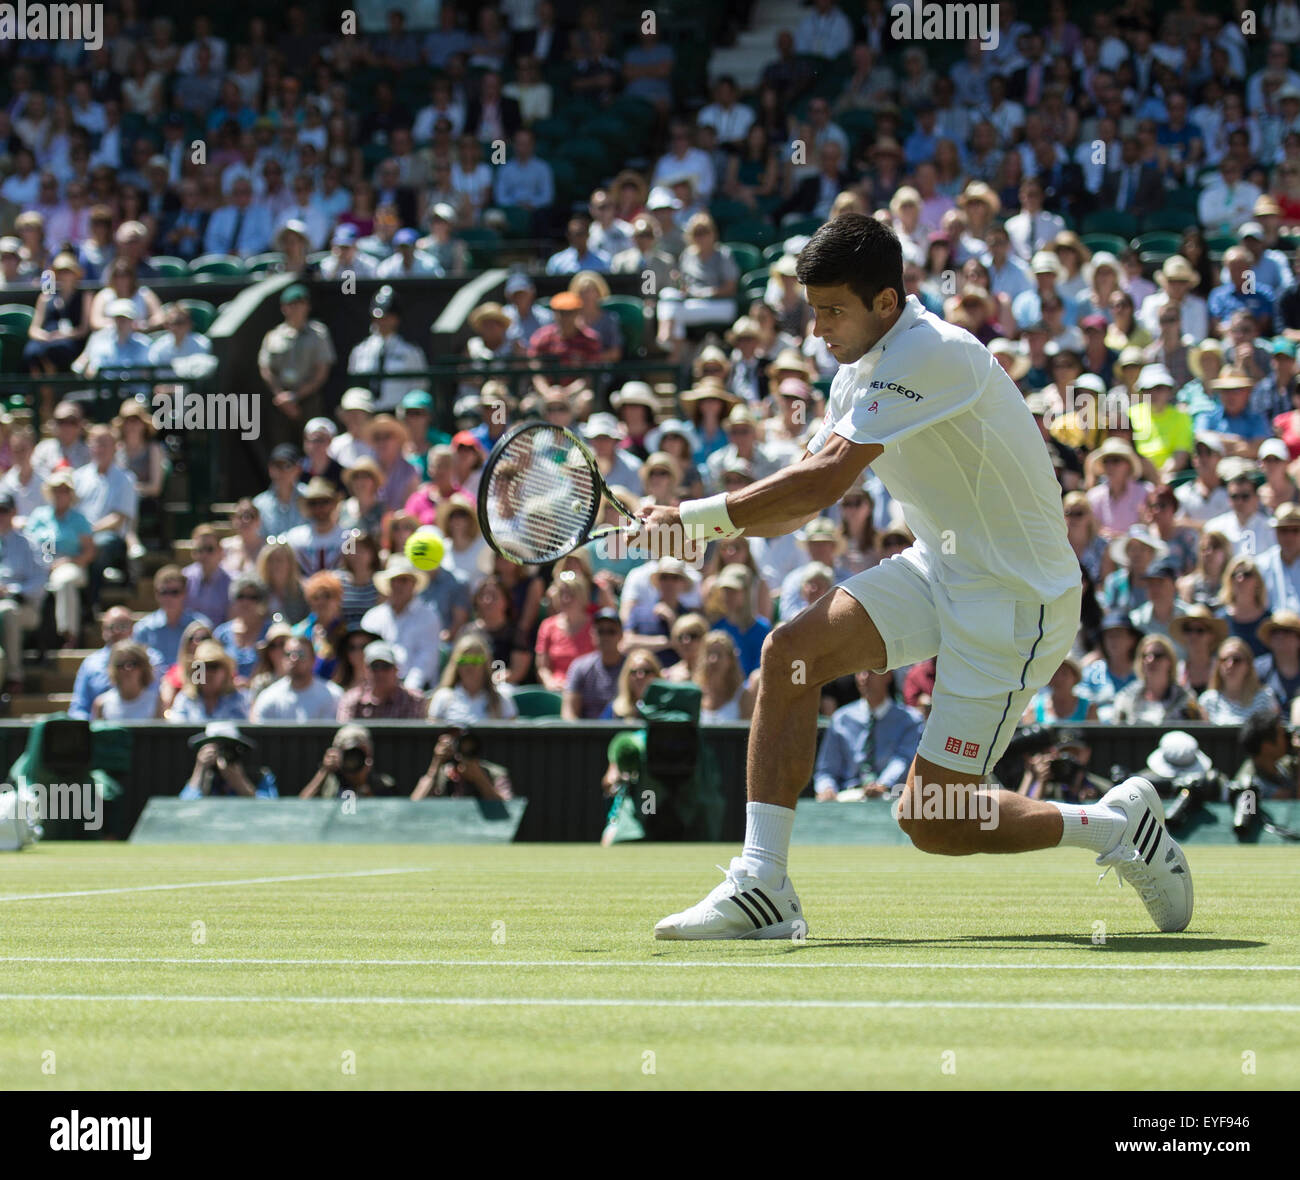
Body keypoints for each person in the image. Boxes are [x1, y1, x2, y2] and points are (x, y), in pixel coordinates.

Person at [637, 213, 1191, 940]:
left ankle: (1116, 825)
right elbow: (795, 500)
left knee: (933, 819)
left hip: (1017, 600)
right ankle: (762, 885)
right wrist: (689, 529)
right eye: (812, 311)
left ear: (887, 305)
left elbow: (822, 483)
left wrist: (699, 518)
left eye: (833, 310)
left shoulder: (936, 353)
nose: (818, 330)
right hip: (940, 565)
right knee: (790, 655)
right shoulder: (854, 375)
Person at [812, 668, 924, 800]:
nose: (864, 677)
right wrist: (826, 788)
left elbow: (904, 759)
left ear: (888, 675)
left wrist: (882, 785)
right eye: (859, 672)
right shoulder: (841, 719)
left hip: (892, 799)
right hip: (847, 800)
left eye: (871, 672)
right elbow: (826, 770)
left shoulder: (911, 720)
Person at [23, 470, 94, 648]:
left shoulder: (79, 519)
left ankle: (69, 635)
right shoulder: (39, 516)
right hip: (38, 565)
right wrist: (41, 563)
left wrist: (66, 561)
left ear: (70, 494)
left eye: (64, 490)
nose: (60, 494)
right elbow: (27, 543)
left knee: (63, 581)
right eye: (56, 490)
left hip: (69, 564)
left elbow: (89, 552)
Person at [362, 557, 442, 692]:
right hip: (376, 688)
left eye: (404, 580)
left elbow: (426, 661)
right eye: (394, 580)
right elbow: (366, 658)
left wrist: (407, 691)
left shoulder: (428, 617)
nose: (398, 585)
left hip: (416, 690)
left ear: (414, 584)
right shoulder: (372, 618)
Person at [0, 490, 44, 691]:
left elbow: (40, 582)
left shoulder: (30, 543)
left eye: (4, 510)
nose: (0, 515)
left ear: (14, 512)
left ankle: (14, 676)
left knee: (7, 610)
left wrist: (10, 591)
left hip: (24, 607)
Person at [250, 632, 343, 721]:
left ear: (313, 660)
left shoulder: (334, 696)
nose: (293, 659)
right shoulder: (269, 697)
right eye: (288, 654)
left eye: (301, 654)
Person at [427, 633, 518, 723]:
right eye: (464, 660)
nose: (469, 666)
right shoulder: (443, 697)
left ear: (485, 664)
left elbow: (512, 735)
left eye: (475, 660)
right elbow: (433, 733)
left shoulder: (501, 698)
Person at [412, 727, 514, 800]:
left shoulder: (495, 773)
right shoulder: (441, 774)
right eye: (454, 741)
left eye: (463, 740)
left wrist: (480, 778)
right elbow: (415, 805)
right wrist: (436, 764)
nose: (460, 746)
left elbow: (509, 810)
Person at [180, 722, 277, 799]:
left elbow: (269, 809)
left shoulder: (259, 776)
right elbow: (186, 807)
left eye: (228, 749)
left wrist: (241, 785)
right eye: (216, 749)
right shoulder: (204, 778)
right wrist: (200, 768)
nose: (222, 755)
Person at [300, 723, 397, 798]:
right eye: (348, 752)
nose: (353, 759)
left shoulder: (383, 784)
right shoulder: (328, 783)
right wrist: (324, 771)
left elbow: (386, 817)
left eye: (359, 752)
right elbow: (302, 808)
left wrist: (362, 785)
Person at [337, 639, 426, 720]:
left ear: (396, 669)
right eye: (375, 667)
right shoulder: (352, 699)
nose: (380, 673)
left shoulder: (413, 700)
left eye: (385, 666)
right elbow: (345, 731)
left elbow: (415, 735)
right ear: (365, 670)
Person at [1200, 637, 1280, 724]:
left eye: (1236, 660)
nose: (1229, 665)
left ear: (1248, 665)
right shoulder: (1208, 700)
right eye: (1224, 660)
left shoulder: (1265, 697)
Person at [166, 639, 248, 721]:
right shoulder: (185, 699)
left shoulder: (237, 699)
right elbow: (177, 729)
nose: (207, 672)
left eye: (213, 666)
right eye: (201, 667)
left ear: (225, 671)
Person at [91, 640, 161, 719]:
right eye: (121, 665)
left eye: (133, 663)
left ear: (144, 666)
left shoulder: (156, 702)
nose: (127, 669)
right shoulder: (102, 704)